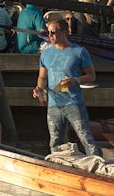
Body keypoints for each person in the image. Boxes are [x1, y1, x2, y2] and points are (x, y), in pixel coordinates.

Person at [34, 15, 101, 157]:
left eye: (53, 32)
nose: (50, 36)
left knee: (86, 139)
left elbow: (91, 76)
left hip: (73, 102)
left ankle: (98, 166)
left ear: (64, 32)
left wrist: (75, 80)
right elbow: (42, 77)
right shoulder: (46, 54)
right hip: (53, 104)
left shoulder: (79, 52)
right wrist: (39, 88)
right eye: (48, 32)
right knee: (55, 142)